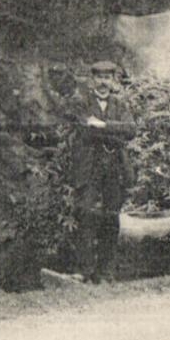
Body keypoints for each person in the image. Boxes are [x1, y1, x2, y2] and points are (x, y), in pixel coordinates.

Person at [65, 61, 136, 284]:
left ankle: (106, 273)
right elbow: (85, 131)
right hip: (89, 166)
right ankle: (83, 271)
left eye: (108, 77)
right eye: (99, 77)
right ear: (92, 80)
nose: (103, 82)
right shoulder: (80, 102)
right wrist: (114, 133)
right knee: (85, 213)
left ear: (113, 80)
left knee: (111, 217)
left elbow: (131, 130)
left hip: (115, 167)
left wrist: (103, 126)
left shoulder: (120, 104)